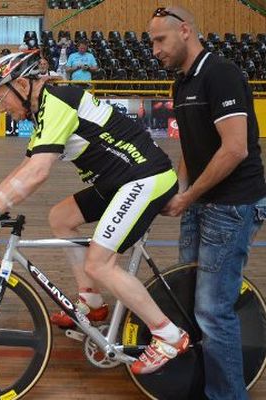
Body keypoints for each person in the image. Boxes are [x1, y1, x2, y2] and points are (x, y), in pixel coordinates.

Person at [0, 49, 190, 374]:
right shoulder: (44, 108)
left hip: (143, 178)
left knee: (99, 262)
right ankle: (92, 303)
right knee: (61, 218)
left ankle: (168, 335)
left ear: (22, 85)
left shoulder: (58, 99)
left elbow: (39, 172)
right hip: (120, 180)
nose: (1, 108)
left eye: (1, 98)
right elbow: (27, 164)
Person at [149, 6, 266, 398]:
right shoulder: (181, 83)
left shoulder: (222, 74)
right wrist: (181, 192)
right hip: (201, 204)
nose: (154, 50)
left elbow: (234, 150)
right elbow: (193, 148)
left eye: (160, 40)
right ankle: (202, 383)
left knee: (213, 311)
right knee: (190, 297)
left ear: (185, 31)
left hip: (231, 205)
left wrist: (189, 197)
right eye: (151, 43)